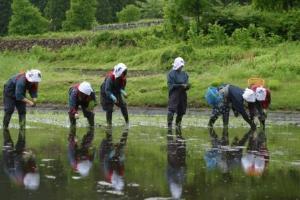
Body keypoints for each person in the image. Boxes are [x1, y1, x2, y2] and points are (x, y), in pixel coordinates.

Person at [100, 63, 129, 127]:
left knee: (123, 105)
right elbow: (107, 90)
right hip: (106, 93)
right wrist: (113, 97)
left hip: (116, 92)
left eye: (125, 73)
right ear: (120, 73)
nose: (125, 75)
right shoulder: (110, 78)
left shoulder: (124, 79)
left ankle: (127, 122)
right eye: (123, 73)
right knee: (109, 108)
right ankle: (109, 124)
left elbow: (121, 87)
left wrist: (123, 92)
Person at [167, 57, 190, 134]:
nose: (181, 67)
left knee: (181, 111)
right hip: (174, 93)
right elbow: (171, 85)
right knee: (171, 110)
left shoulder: (185, 74)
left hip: (183, 94)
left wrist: (187, 86)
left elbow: (187, 83)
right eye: (180, 66)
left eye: (182, 66)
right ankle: (169, 126)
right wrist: (180, 85)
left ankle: (178, 124)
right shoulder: (171, 74)